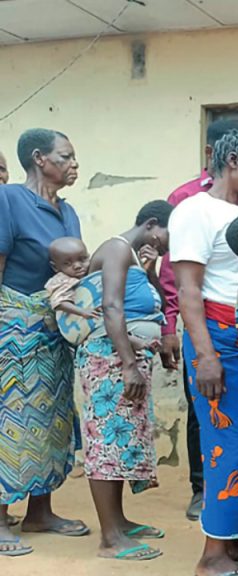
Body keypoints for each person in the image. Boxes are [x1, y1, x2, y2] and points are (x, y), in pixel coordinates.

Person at [169, 128, 238, 576]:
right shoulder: (195, 211)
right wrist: (207, 355)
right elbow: (189, 290)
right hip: (218, 340)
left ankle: (232, 544)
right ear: (232, 159)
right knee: (226, 443)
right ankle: (212, 555)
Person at [0, 128, 90, 557]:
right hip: (13, 329)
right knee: (9, 420)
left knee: (53, 419)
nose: (74, 164)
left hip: (54, 331)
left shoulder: (67, 212)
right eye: (66, 156)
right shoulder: (9, 200)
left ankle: (40, 511)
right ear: (39, 158)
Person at [75, 200, 174, 562]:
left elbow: (146, 303)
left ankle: (118, 521)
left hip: (123, 356)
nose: (168, 245)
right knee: (106, 440)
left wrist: (148, 269)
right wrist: (129, 363)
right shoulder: (117, 248)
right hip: (109, 357)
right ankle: (110, 538)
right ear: (151, 224)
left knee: (120, 439)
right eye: (168, 236)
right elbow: (112, 306)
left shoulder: (133, 256)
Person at [46, 237, 102, 319]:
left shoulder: (92, 269)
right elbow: (59, 303)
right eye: (67, 263)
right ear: (55, 267)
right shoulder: (61, 280)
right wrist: (82, 312)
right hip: (74, 319)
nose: (77, 266)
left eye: (82, 259)